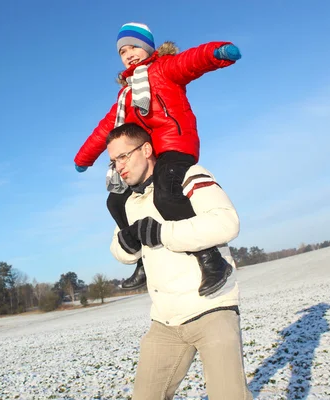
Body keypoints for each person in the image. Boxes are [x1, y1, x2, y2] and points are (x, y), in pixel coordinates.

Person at [73, 22, 242, 295]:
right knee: (116, 200)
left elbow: (190, 62)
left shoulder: (164, 69)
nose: (128, 54)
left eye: (134, 47)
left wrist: (216, 52)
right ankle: (140, 257)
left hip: (176, 145)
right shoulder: (125, 95)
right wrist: (84, 157)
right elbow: (107, 128)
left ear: (148, 48)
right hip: (148, 155)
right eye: (123, 51)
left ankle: (211, 259)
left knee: (166, 193)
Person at [106, 123, 252, 400]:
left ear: (146, 149)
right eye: (114, 161)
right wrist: (126, 245)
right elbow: (119, 249)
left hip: (212, 310)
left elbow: (226, 222)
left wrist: (164, 233)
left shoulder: (188, 175)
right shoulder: (129, 202)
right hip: (165, 321)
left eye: (124, 156)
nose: (119, 167)